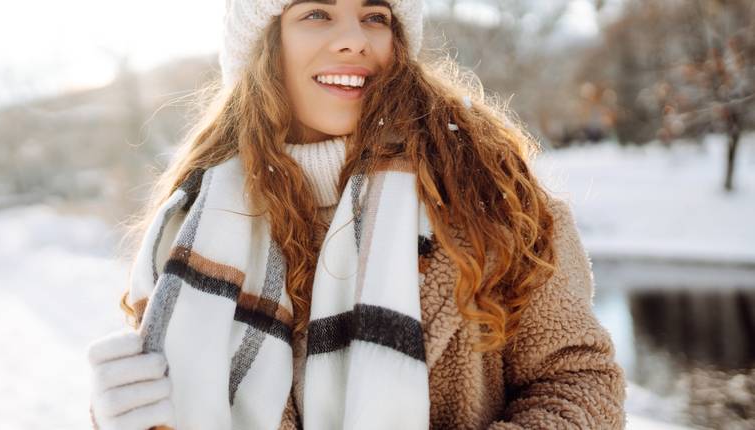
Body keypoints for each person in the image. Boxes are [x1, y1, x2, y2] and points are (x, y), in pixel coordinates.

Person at [87, 0, 627, 428]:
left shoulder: (489, 192)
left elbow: (581, 379)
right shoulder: (197, 225)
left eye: (375, 15)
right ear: (263, 48)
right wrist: (135, 417)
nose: (355, 39)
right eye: (315, 13)